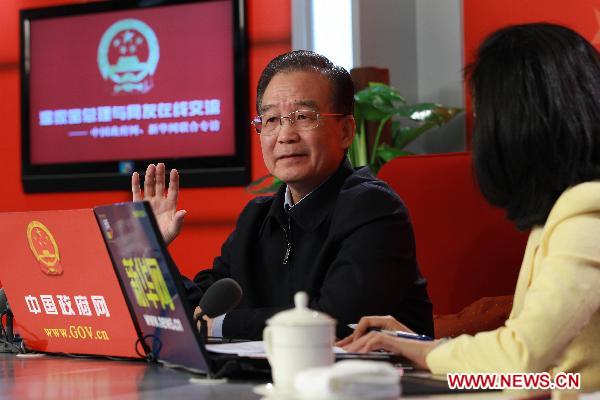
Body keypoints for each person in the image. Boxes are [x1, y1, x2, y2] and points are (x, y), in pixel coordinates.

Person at [338, 23, 600, 391]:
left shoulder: (586, 218)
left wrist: (427, 357)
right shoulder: (563, 213)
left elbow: (521, 359)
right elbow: (523, 368)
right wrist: (423, 349)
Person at [132, 51, 433, 340]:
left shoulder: (373, 209)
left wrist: (223, 325)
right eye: (272, 120)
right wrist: (151, 251)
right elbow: (202, 309)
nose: (285, 135)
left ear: (345, 131)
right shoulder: (257, 218)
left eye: (303, 116)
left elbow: (336, 323)